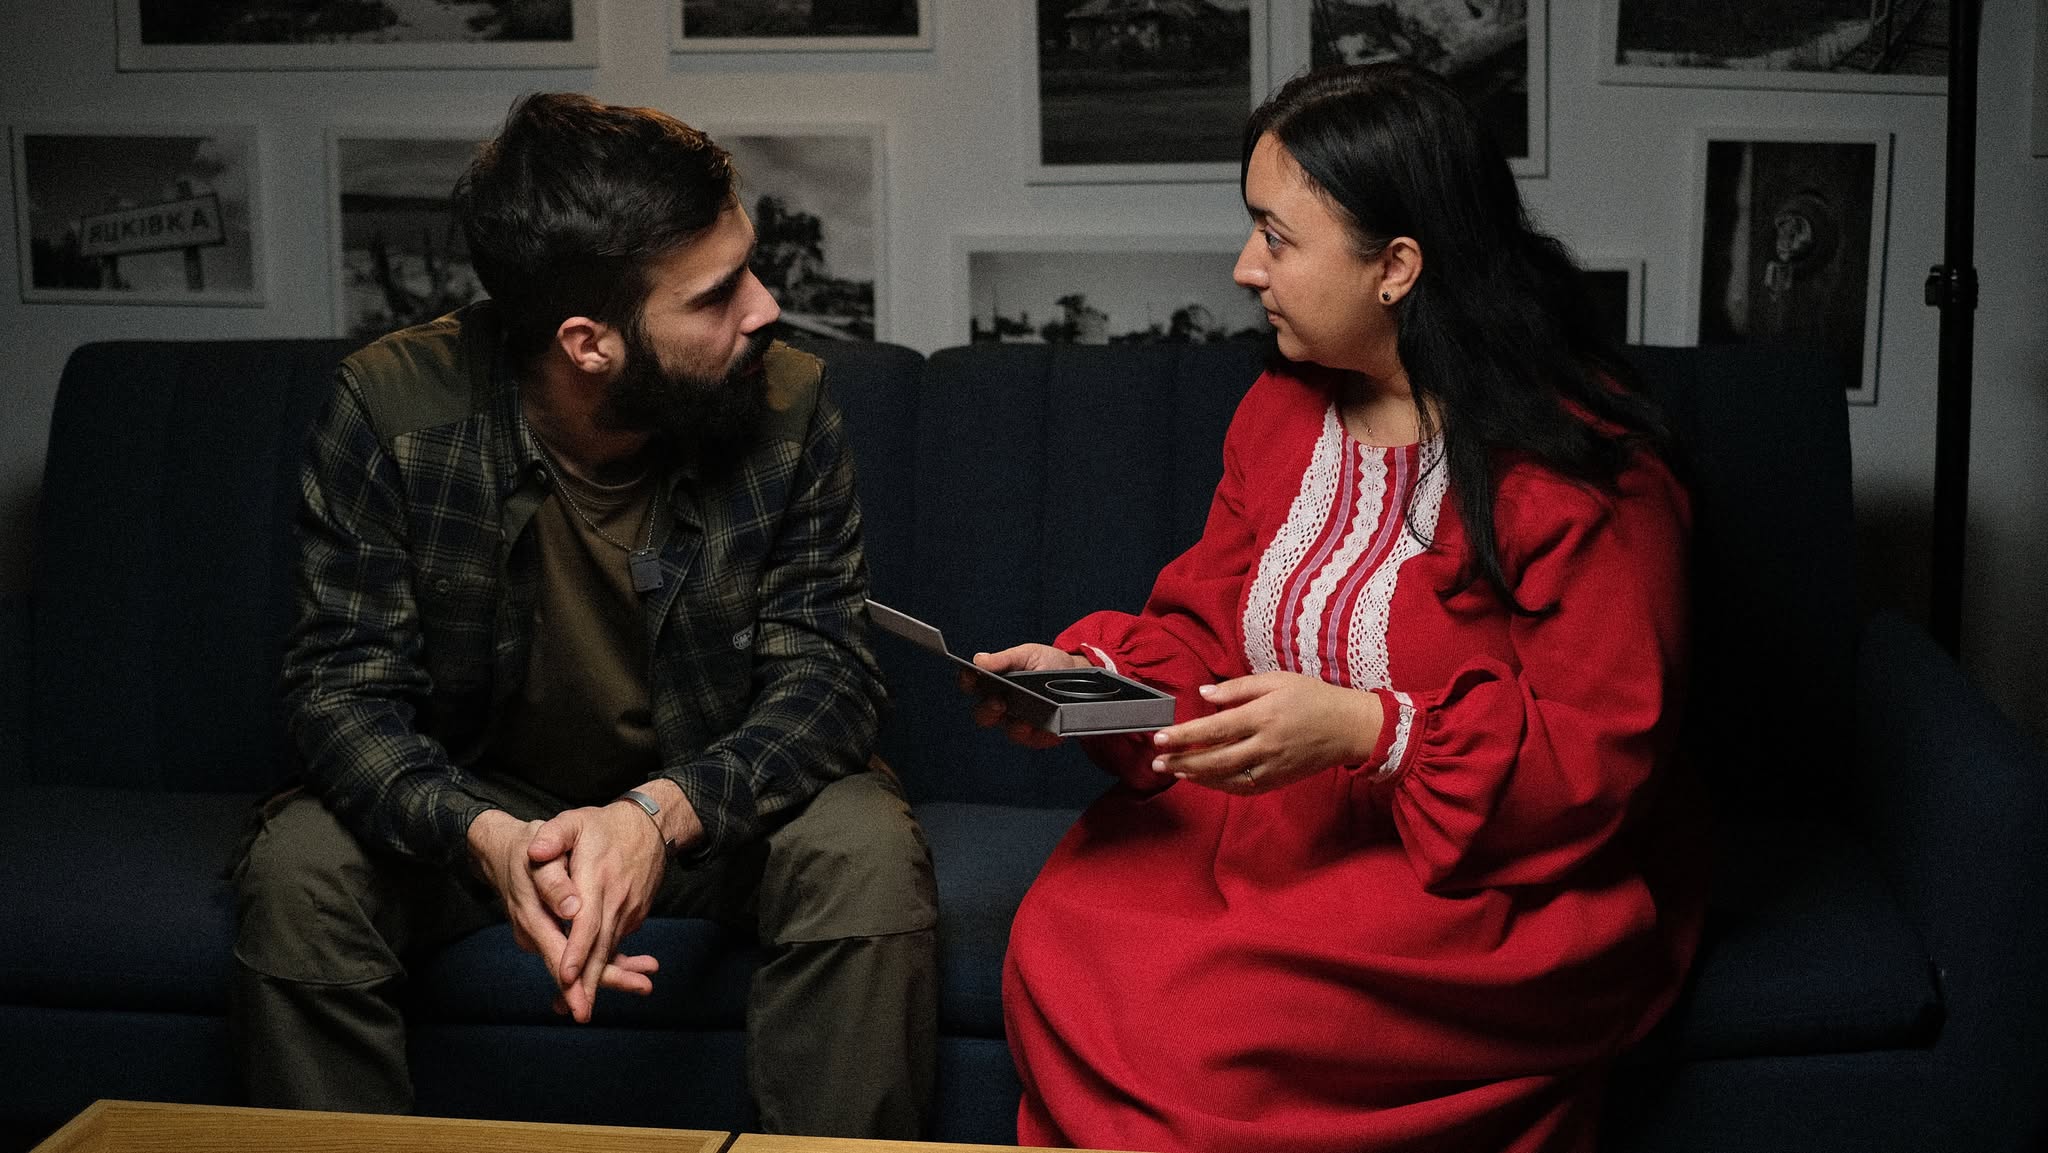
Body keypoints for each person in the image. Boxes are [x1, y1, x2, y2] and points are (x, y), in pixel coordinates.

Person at [974, 63, 1705, 1153]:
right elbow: (1208, 637)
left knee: (1208, 1019)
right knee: (1061, 933)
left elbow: (1599, 754)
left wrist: (1368, 730)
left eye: (1275, 236)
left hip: (1468, 879)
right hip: (1268, 831)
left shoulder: (1586, 474)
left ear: (1395, 268)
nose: (1243, 267)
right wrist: (1092, 690)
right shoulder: (1279, 414)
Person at [232, 92, 936, 1139]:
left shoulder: (787, 403)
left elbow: (826, 677)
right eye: (714, 296)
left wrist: (657, 815)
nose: (763, 309)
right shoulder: (389, 410)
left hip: (704, 800)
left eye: (749, 267)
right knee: (297, 870)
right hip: (478, 802)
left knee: (864, 848)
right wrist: (485, 837)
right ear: (587, 342)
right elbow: (339, 695)